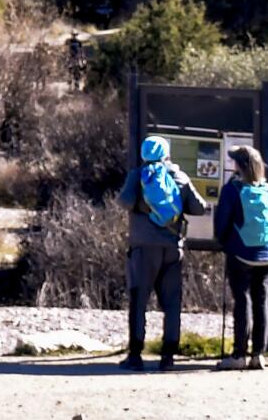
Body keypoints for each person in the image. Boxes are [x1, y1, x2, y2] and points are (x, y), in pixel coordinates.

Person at [117, 133, 204, 373]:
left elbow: (123, 202)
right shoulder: (180, 176)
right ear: (167, 153)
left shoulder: (137, 176)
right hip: (172, 247)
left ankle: (135, 355)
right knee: (172, 303)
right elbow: (199, 207)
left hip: (143, 248)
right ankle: (168, 357)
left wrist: (142, 205)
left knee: (139, 301)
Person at [213, 144, 268, 370]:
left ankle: (239, 354)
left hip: (241, 253)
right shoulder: (267, 189)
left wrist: (224, 242)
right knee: (261, 302)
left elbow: (221, 223)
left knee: (243, 301)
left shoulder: (232, 189)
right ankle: (258, 354)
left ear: (239, 166)